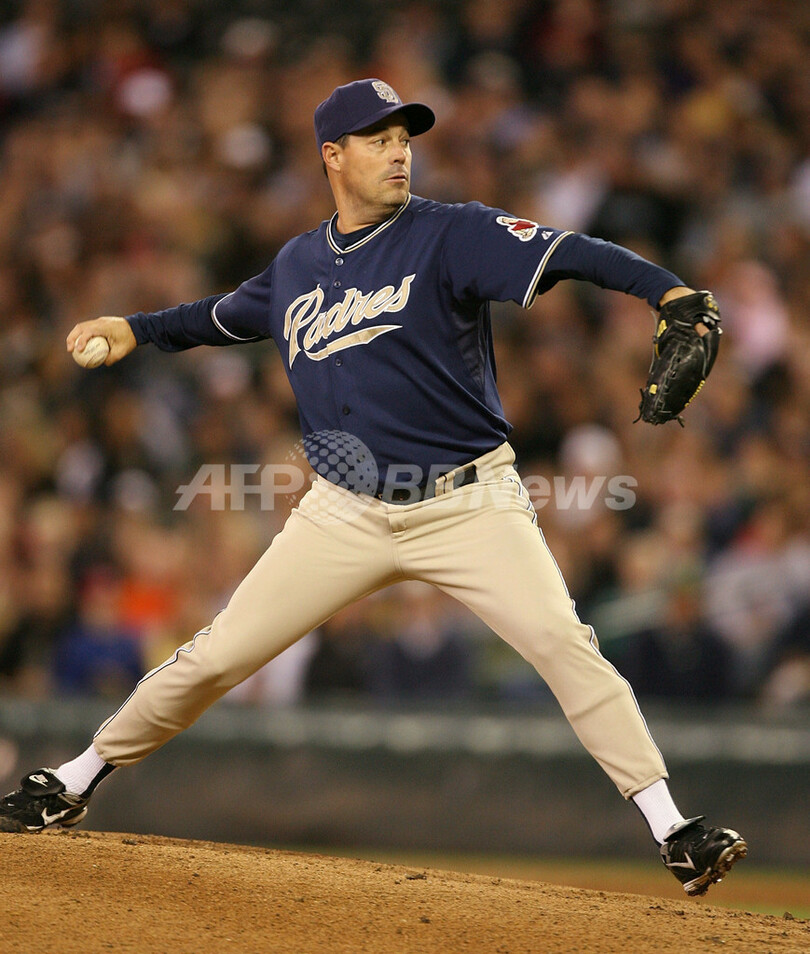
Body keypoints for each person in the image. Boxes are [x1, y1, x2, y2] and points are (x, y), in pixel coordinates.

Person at [0, 78, 746, 897]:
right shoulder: (297, 264)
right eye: (378, 139)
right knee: (217, 655)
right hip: (344, 512)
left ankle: (673, 828)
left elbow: (572, 251)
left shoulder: (451, 232)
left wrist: (670, 292)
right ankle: (73, 780)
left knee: (564, 645)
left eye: (404, 138)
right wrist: (134, 329)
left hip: (468, 500)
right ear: (333, 155)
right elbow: (218, 317)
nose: (398, 152)